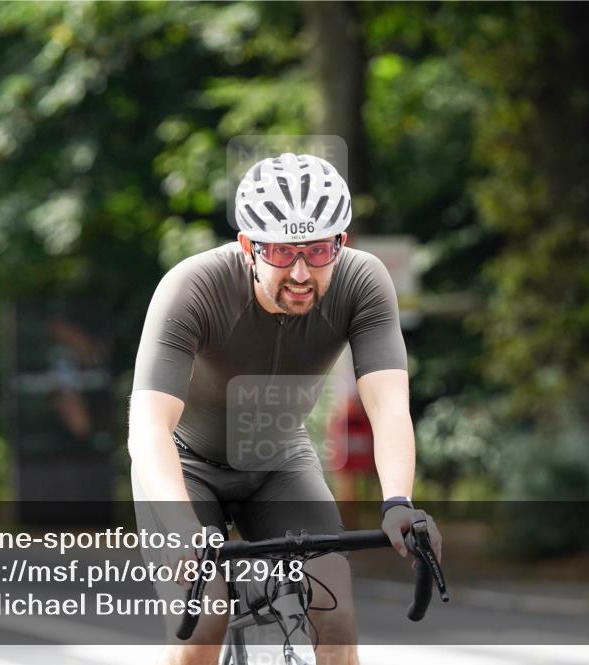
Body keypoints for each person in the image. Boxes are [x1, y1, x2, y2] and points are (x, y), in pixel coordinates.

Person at [128, 152, 442, 665]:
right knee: (204, 622)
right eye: (280, 252)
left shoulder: (363, 282)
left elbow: (388, 408)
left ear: (340, 244)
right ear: (249, 247)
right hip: (184, 466)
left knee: (334, 616)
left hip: (278, 462)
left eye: (318, 251)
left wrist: (398, 503)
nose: (300, 273)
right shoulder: (193, 288)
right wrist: (184, 528)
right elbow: (148, 430)